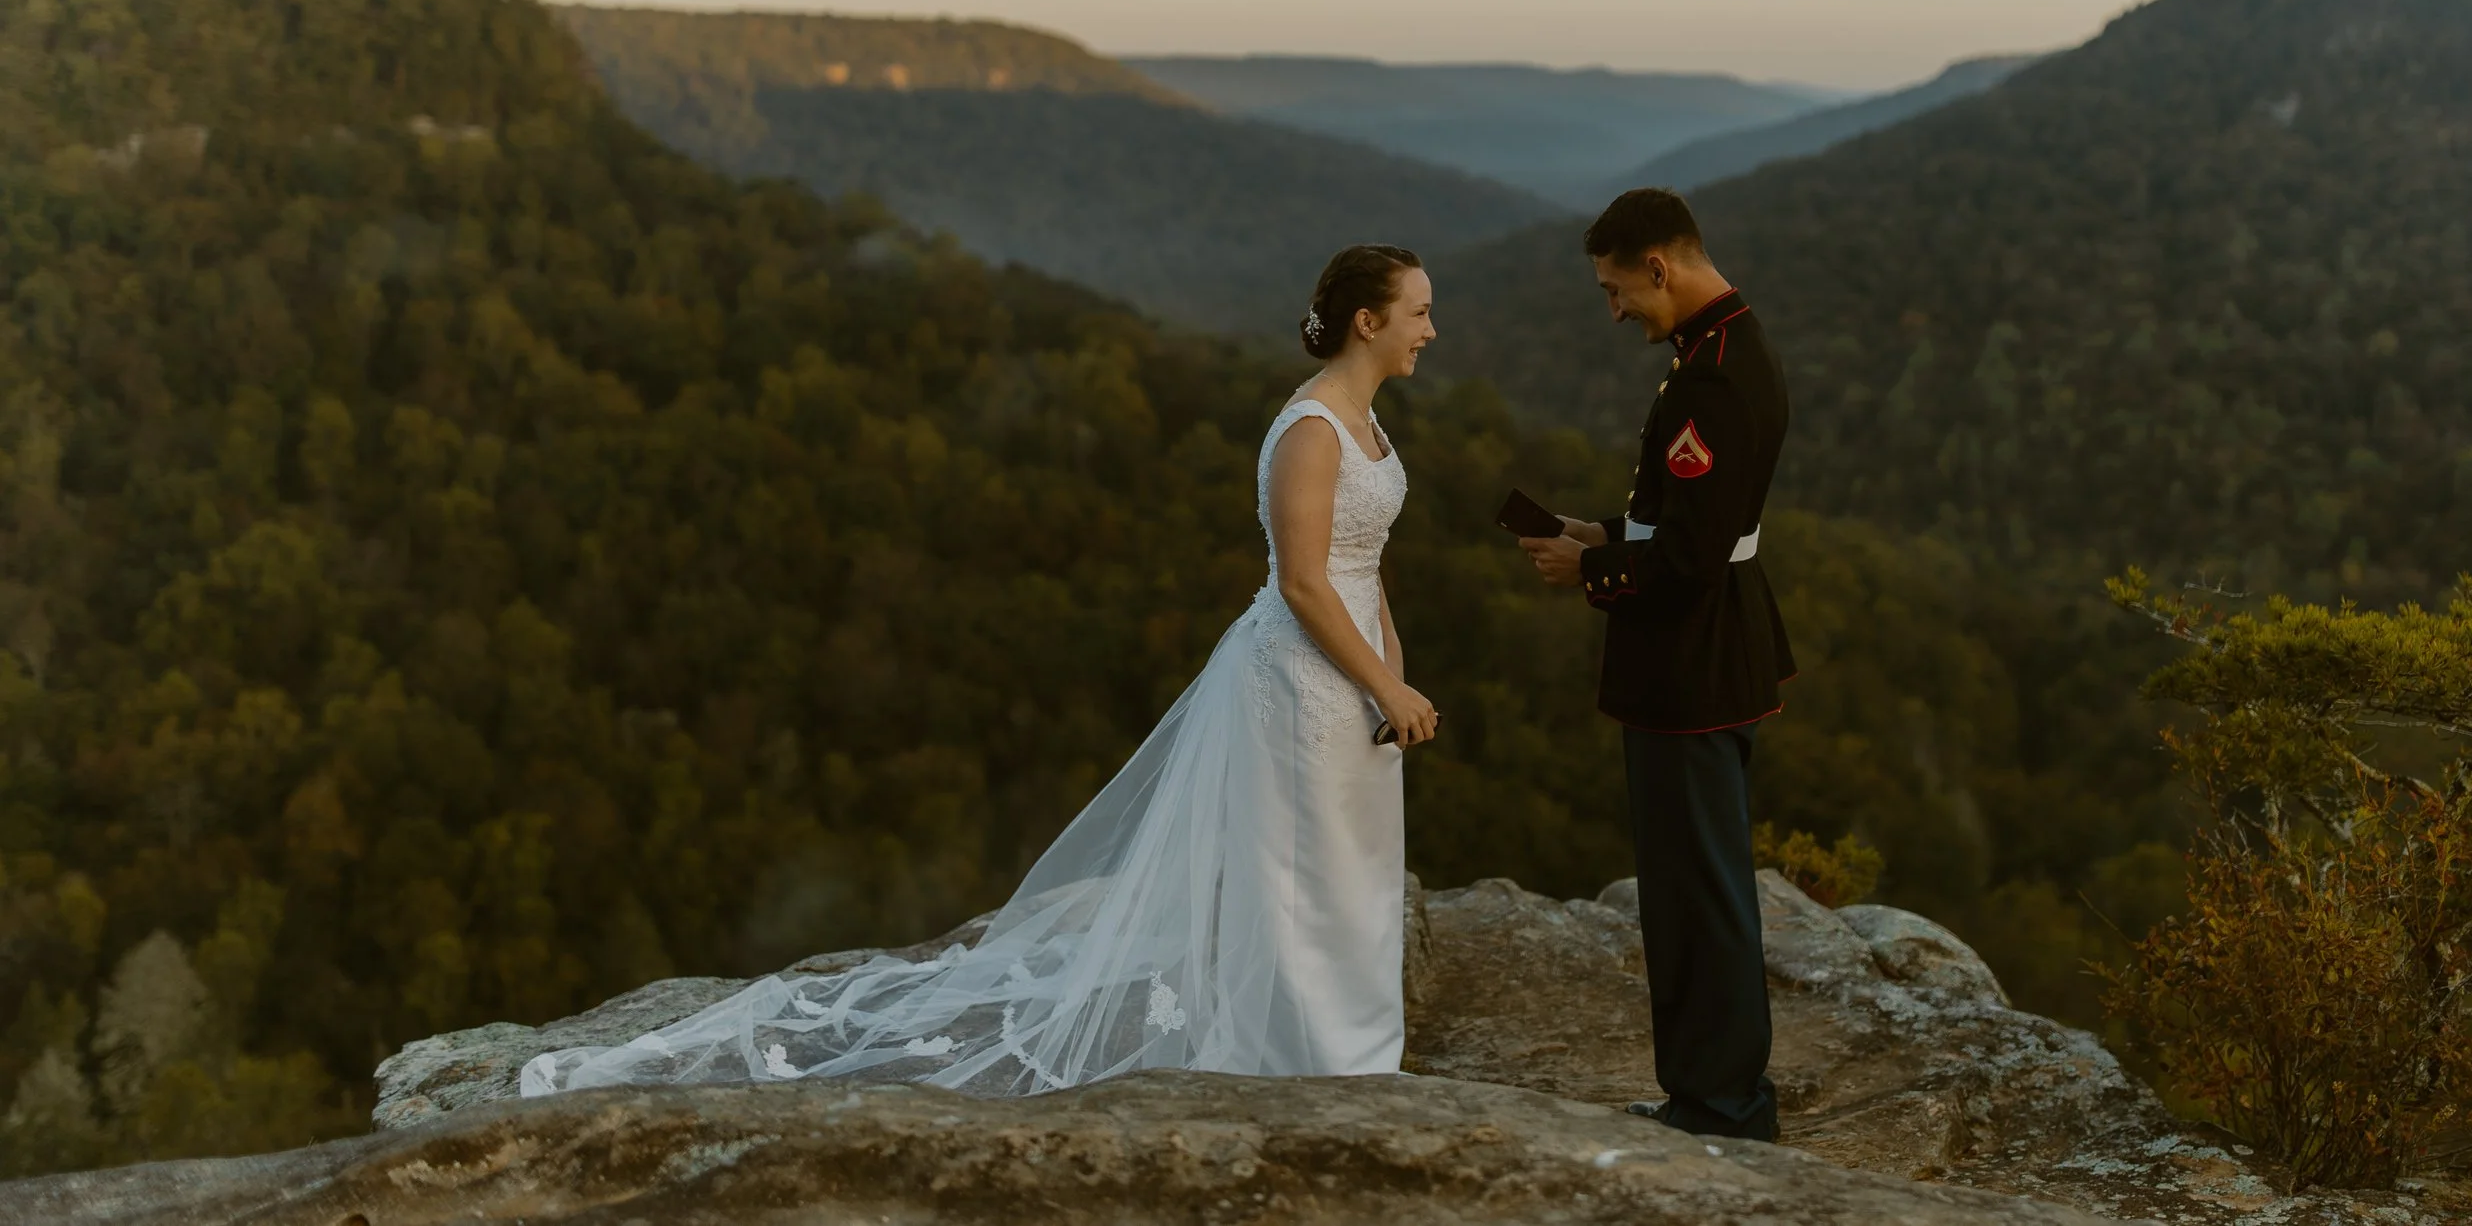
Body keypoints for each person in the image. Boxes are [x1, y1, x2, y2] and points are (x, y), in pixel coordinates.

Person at [521, 245, 1440, 1098]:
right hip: (1299, 683)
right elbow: (1305, 582)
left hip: (1357, 675)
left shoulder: (1368, 424)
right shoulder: (1311, 430)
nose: (1429, 331)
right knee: (1298, 875)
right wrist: (1381, 684)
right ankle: (1306, 1059)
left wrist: (1393, 674)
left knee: (1354, 867)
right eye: (1419, 313)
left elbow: (1367, 566)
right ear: (1368, 320)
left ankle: (1358, 1053)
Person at [1515, 187, 1795, 1144]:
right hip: (1700, 656)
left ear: (1659, 267)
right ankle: (1702, 1092)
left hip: (1693, 664)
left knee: (1702, 890)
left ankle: (1725, 1106)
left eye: (1615, 288)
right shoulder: (1713, 353)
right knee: (1686, 885)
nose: (1613, 308)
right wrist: (1602, 530)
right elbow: (1679, 523)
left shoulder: (1716, 377)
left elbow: (1690, 561)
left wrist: (1588, 567)